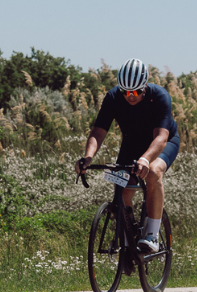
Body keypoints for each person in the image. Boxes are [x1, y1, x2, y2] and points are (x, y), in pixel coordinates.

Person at [74, 58, 180, 253]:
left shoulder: (160, 96)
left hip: (163, 142)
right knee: (121, 188)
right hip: (132, 144)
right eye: (125, 92)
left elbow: (161, 138)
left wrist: (146, 159)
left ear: (145, 86)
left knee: (154, 172)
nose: (130, 96)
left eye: (136, 91)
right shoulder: (113, 98)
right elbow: (98, 131)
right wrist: (87, 158)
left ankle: (152, 235)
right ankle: (129, 240)